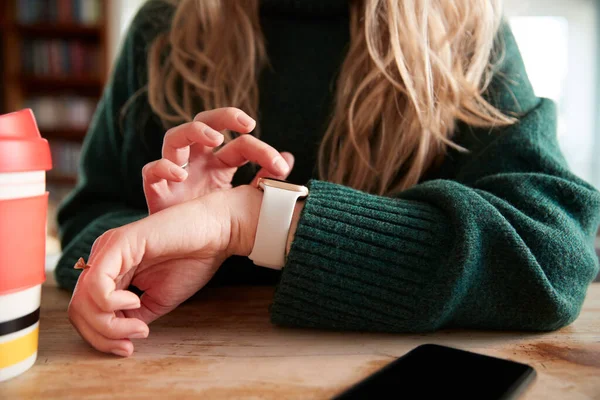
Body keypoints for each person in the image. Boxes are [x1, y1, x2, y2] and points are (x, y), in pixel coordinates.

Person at [57, 0, 600, 358]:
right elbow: (85, 226)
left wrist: (252, 224)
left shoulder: (464, 30)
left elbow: (553, 255)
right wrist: (172, 241)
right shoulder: (164, 28)